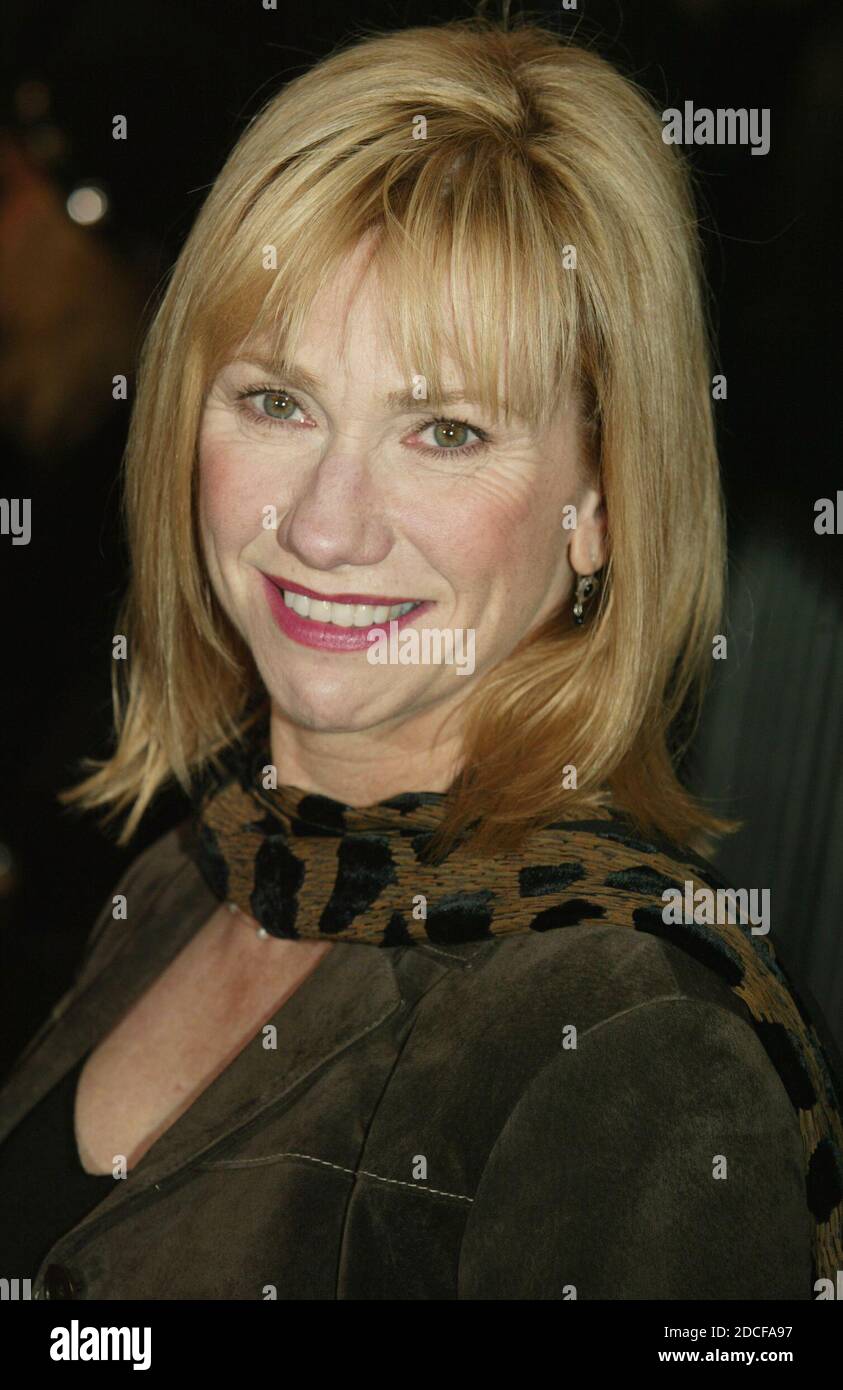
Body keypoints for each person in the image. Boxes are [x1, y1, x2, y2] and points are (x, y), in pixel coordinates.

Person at [1, 16, 840, 1301]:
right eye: (276, 400)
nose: (326, 525)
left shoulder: (635, 1039)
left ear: (606, 495)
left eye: (446, 430)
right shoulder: (200, 867)